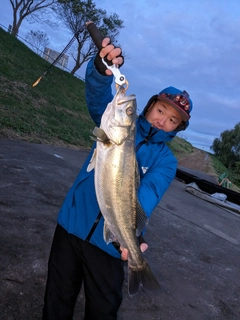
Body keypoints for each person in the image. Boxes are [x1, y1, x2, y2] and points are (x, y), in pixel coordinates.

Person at [42, 37, 193, 320]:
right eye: (161, 110)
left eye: (172, 120)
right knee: (56, 302)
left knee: (102, 311)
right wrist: (101, 70)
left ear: (177, 128)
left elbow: (147, 197)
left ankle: (138, 266)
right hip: (71, 225)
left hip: (111, 246)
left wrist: (131, 237)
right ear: (150, 107)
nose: (162, 120)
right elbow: (98, 99)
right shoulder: (117, 124)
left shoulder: (166, 162)